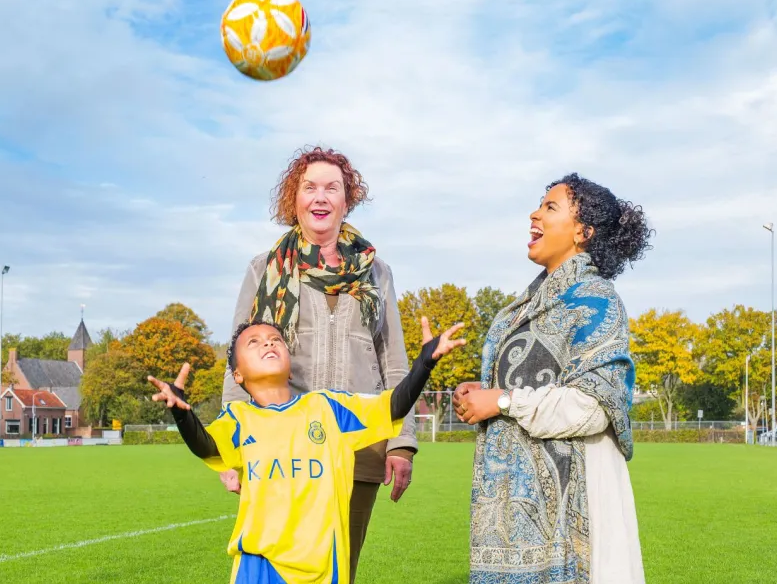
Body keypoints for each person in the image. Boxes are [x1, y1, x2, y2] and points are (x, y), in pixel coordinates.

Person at [221, 146, 415, 583]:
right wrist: (232, 450)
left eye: (334, 187)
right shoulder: (264, 270)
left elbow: (394, 362)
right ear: (295, 199)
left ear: (348, 200)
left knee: (340, 569)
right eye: (310, 187)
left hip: (359, 446)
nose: (321, 197)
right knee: (280, 567)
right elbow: (240, 358)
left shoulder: (376, 272)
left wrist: (401, 443)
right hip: (282, 452)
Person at [148, 318, 466, 584]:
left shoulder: (328, 407)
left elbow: (392, 407)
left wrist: (425, 363)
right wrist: (181, 413)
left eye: (275, 339)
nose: (268, 344)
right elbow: (207, 445)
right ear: (238, 375)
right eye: (254, 342)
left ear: (290, 368)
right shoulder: (239, 418)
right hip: (257, 565)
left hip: (323, 567)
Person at [453, 173, 654, 584]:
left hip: (578, 500)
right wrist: (483, 392)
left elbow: (595, 407)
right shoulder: (523, 307)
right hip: (510, 507)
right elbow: (521, 383)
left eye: (550, 207)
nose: (534, 214)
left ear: (583, 231)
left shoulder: (598, 302)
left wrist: (505, 401)